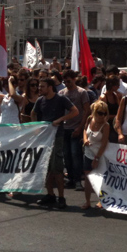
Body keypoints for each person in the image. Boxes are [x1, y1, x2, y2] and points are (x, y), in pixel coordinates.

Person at [32, 78, 79, 209]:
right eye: (39, 86)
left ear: (50, 87)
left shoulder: (61, 99)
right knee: (47, 168)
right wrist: (36, 127)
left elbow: (75, 111)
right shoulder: (40, 100)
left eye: (42, 86)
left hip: (57, 137)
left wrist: (60, 120)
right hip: (44, 138)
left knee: (57, 168)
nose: (39, 89)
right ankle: (50, 195)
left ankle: (62, 197)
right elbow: (33, 113)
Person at [59, 70, 91, 190]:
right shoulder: (61, 93)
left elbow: (86, 111)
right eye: (65, 81)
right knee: (66, 155)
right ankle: (71, 179)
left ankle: (78, 180)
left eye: (69, 81)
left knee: (75, 154)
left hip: (76, 128)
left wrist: (80, 127)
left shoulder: (82, 92)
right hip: (65, 128)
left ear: (74, 79)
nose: (67, 83)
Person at [82, 100, 110, 209]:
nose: (102, 115)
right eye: (99, 112)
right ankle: (87, 201)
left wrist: (97, 158)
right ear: (94, 112)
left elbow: (104, 144)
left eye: (104, 113)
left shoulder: (106, 126)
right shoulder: (90, 119)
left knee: (100, 179)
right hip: (88, 153)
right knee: (88, 178)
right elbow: (85, 130)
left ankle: (101, 200)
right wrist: (85, 139)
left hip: (99, 155)